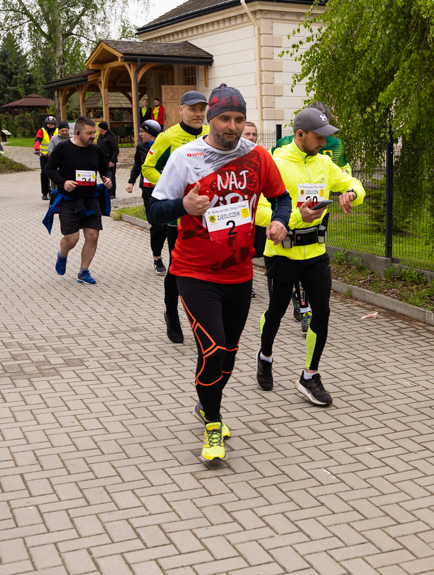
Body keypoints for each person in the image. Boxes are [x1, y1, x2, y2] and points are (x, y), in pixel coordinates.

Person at [146, 84, 291, 462]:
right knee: (212, 350)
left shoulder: (258, 156)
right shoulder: (186, 156)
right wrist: (184, 205)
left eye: (239, 119)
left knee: (227, 354)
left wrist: (280, 221)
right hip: (194, 272)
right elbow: (155, 211)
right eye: (225, 118)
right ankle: (213, 423)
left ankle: (205, 403)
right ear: (210, 118)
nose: (232, 126)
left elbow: (282, 197)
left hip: (240, 274)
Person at [256, 107, 365, 406]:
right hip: (283, 253)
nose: (324, 143)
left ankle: (309, 375)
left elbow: (354, 183)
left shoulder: (325, 164)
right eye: (319, 137)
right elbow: (260, 211)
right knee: (276, 312)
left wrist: (352, 194)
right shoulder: (276, 164)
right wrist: (294, 216)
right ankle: (265, 355)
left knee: (323, 312)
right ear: (300, 134)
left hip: (316, 253)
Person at [142, 91, 210, 344]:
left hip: (209, 214)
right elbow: (147, 168)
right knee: (178, 268)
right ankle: (172, 313)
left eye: (202, 109)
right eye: (192, 108)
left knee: (205, 267)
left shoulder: (210, 134)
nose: (198, 113)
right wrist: (173, 188)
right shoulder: (167, 137)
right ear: (180, 110)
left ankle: (203, 318)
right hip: (179, 215)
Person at [43, 116, 113, 285]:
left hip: (91, 200)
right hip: (69, 200)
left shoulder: (96, 150)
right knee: (71, 239)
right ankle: (62, 254)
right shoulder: (63, 148)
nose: (93, 136)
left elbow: (105, 170)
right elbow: (49, 169)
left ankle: (84, 271)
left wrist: (108, 179)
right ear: (78, 132)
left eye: (94, 133)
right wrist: (63, 182)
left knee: (93, 236)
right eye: (89, 133)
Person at [126, 120, 167, 274]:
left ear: (150, 133)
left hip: (166, 189)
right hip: (149, 191)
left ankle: (175, 257)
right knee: (157, 225)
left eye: (142, 131)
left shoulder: (166, 145)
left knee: (167, 227)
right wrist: (131, 182)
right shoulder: (141, 147)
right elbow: (137, 165)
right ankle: (157, 258)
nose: (140, 134)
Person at [243, 121, 267, 298]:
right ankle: (245, 286)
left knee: (260, 251)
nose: (251, 137)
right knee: (244, 254)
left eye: (254, 134)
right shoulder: (232, 156)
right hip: (240, 215)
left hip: (260, 215)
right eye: (247, 134)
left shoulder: (262, 156)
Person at [34, 115, 58, 200]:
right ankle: (45, 192)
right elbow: (38, 140)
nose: (51, 125)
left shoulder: (58, 131)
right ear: (46, 124)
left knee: (59, 172)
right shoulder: (42, 131)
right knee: (44, 173)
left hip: (56, 156)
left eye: (52, 124)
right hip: (44, 156)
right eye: (49, 124)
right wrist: (37, 149)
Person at [96, 121, 119, 199]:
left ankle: (112, 193)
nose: (98, 129)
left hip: (109, 159)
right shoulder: (100, 136)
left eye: (99, 127)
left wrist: (113, 160)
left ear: (102, 128)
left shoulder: (110, 136)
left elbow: (116, 149)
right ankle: (106, 191)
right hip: (102, 159)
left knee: (111, 176)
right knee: (103, 175)